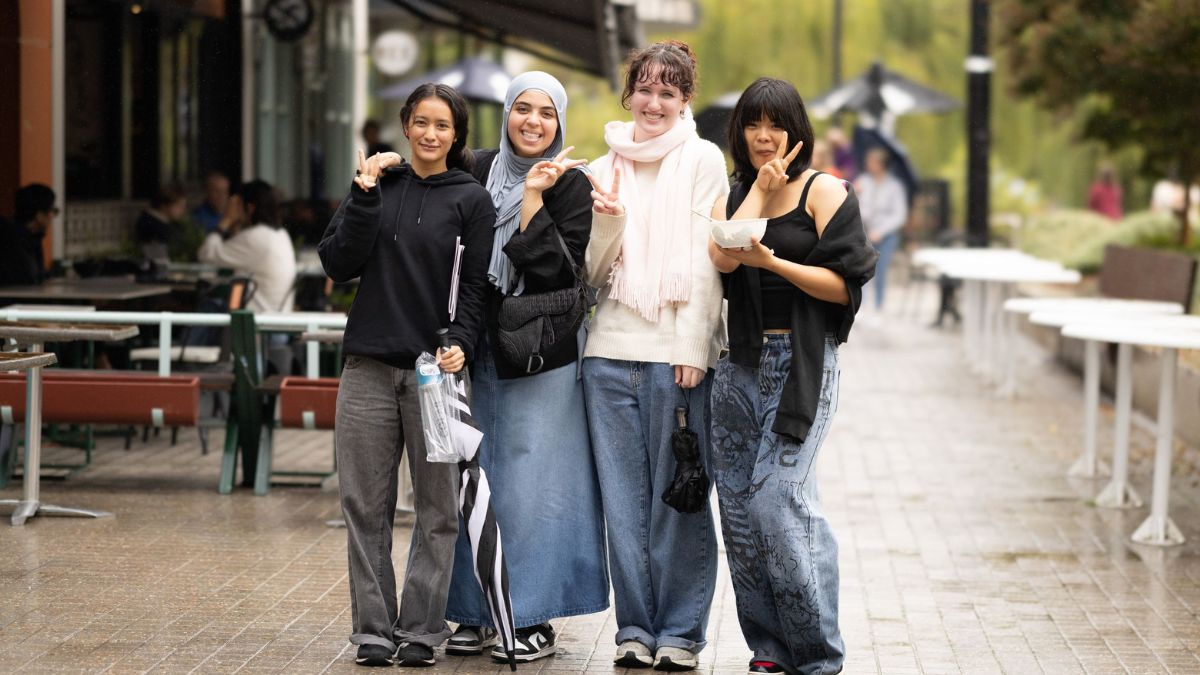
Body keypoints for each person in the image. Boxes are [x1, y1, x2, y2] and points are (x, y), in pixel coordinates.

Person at [318, 83, 494, 669]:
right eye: (420, 122)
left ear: (455, 135)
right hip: (367, 368)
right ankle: (372, 630)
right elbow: (339, 263)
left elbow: (473, 292)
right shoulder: (378, 187)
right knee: (364, 504)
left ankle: (420, 629)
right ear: (405, 124)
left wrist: (462, 344)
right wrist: (363, 193)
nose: (429, 134)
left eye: (442, 125)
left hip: (433, 378)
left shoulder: (470, 200)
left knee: (438, 509)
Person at [708, 77, 877, 675]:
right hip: (739, 368)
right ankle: (769, 650)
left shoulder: (823, 190)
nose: (763, 135)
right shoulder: (736, 193)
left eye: (774, 123)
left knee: (780, 502)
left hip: (801, 363)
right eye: (752, 124)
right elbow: (723, 255)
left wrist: (776, 262)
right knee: (739, 511)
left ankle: (818, 654)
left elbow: (845, 284)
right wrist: (757, 191)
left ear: (794, 129)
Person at [443, 71, 608, 663]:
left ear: (560, 121)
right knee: (470, 473)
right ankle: (469, 610)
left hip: (540, 351)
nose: (533, 122)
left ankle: (530, 615)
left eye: (546, 112)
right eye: (522, 108)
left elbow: (557, 275)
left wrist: (534, 199)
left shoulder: (572, 183)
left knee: (536, 486)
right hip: (473, 345)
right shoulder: (476, 168)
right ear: (507, 112)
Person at [582, 40, 728, 672]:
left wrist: (695, 344)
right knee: (623, 504)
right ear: (629, 92)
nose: (654, 102)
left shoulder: (703, 160)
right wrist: (607, 224)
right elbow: (586, 276)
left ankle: (681, 633)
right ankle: (634, 630)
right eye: (645, 89)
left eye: (669, 92)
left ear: (685, 99)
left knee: (679, 498)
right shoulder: (599, 167)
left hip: (675, 356)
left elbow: (705, 258)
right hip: (608, 355)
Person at [198, 179, 297, 313]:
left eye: (236, 205)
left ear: (250, 208)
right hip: (276, 318)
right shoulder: (280, 234)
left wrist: (226, 221)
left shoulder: (255, 237)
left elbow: (206, 253)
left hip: (258, 323)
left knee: (210, 305)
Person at [854, 147, 907, 310]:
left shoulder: (894, 186)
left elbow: (900, 214)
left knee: (880, 270)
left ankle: (879, 306)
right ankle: (861, 305)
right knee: (862, 269)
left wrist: (881, 231)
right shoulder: (863, 181)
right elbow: (856, 206)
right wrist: (853, 193)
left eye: (872, 162)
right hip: (865, 232)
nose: (868, 165)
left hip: (886, 235)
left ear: (881, 164)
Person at [0, 184, 57, 286]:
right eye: (53, 211)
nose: (53, 216)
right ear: (39, 215)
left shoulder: (30, 238)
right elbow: (28, 280)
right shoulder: (15, 241)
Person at [134, 182, 188, 265]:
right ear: (164, 206)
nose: (182, 211)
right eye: (179, 206)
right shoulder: (153, 226)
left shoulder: (164, 224)